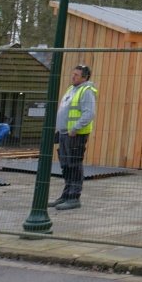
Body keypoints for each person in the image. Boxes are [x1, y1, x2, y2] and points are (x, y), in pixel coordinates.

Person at [52, 64, 97, 211]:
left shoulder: (86, 91)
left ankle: (74, 197)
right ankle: (66, 195)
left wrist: (75, 128)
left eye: (76, 75)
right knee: (66, 165)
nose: (73, 76)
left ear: (85, 77)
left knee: (74, 165)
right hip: (65, 133)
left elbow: (89, 113)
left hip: (76, 135)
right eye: (73, 74)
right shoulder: (71, 89)